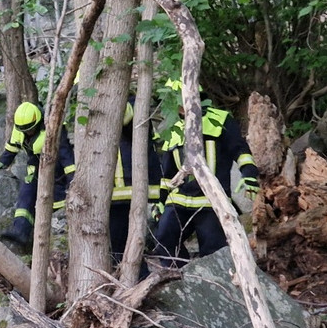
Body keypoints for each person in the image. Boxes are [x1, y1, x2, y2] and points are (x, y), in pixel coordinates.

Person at [151, 84, 259, 265]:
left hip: (211, 200)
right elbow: (167, 172)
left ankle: (215, 286)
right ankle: (180, 281)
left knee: (213, 250)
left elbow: (241, 151)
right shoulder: (174, 127)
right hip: (178, 199)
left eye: (173, 99)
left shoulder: (221, 119)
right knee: (164, 238)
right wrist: (159, 202)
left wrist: (249, 175)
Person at [0, 102, 76, 252]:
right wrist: (2, 163)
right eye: (24, 129)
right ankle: (20, 231)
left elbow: (66, 154)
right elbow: (11, 148)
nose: (28, 132)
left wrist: (72, 178)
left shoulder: (52, 126)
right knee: (25, 195)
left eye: (30, 128)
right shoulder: (20, 127)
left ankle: (57, 232)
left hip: (56, 168)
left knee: (56, 201)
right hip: (35, 168)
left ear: (37, 121)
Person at [108, 99, 163, 265]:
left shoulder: (133, 112)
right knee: (120, 245)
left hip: (130, 191)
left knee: (124, 243)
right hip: (116, 195)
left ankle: (139, 278)